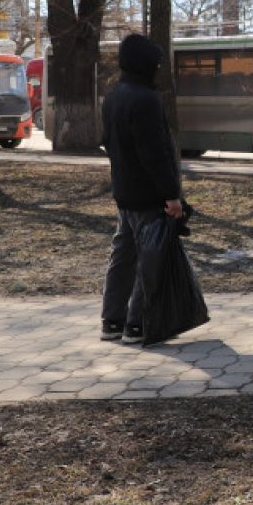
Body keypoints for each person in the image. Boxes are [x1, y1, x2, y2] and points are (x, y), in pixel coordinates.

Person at [100, 34, 184, 344]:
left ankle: (112, 320)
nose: (159, 68)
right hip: (149, 195)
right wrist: (171, 195)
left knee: (123, 256)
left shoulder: (113, 96)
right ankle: (137, 325)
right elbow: (155, 154)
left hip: (124, 192)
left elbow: (108, 142)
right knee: (150, 259)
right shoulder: (146, 99)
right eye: (156, 63)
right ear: (145, 63)